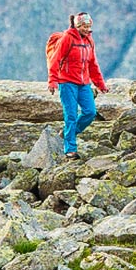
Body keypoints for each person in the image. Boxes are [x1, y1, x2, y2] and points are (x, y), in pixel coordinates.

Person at [47, 12, 107, 160]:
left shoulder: (89, 41)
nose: (87, 29)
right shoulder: (67, 39)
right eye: (84, 26)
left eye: (89, 26)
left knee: (90, 112)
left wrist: (100, 84)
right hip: (66, 82)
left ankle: (69, 133)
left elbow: (92, 64)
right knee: (71, 115)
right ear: (78, 25)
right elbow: (56, 59)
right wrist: (52, 81)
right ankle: (70, 150)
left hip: (84, 83)